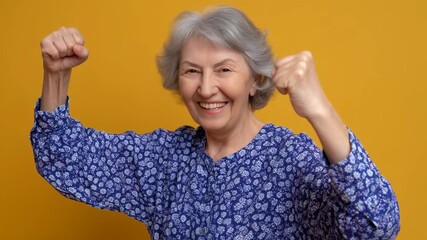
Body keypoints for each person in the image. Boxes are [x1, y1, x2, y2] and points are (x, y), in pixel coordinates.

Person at [30, 6, 400, 239]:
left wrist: (320, 110)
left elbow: (377, 226)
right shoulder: (164, 159)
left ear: (256, 78)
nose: (207, 88)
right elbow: (63, 157)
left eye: (224, 69)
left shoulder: (291, 159)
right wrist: (56, 75)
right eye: (192, 71)